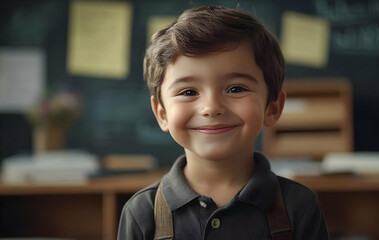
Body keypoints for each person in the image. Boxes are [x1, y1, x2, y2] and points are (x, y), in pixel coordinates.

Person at [117, 6, 329, 240]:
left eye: (236, 88)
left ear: (273, 107)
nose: (212, 107)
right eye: (188, 91)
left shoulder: (299, 207)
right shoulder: (142, 213)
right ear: (162, 113)